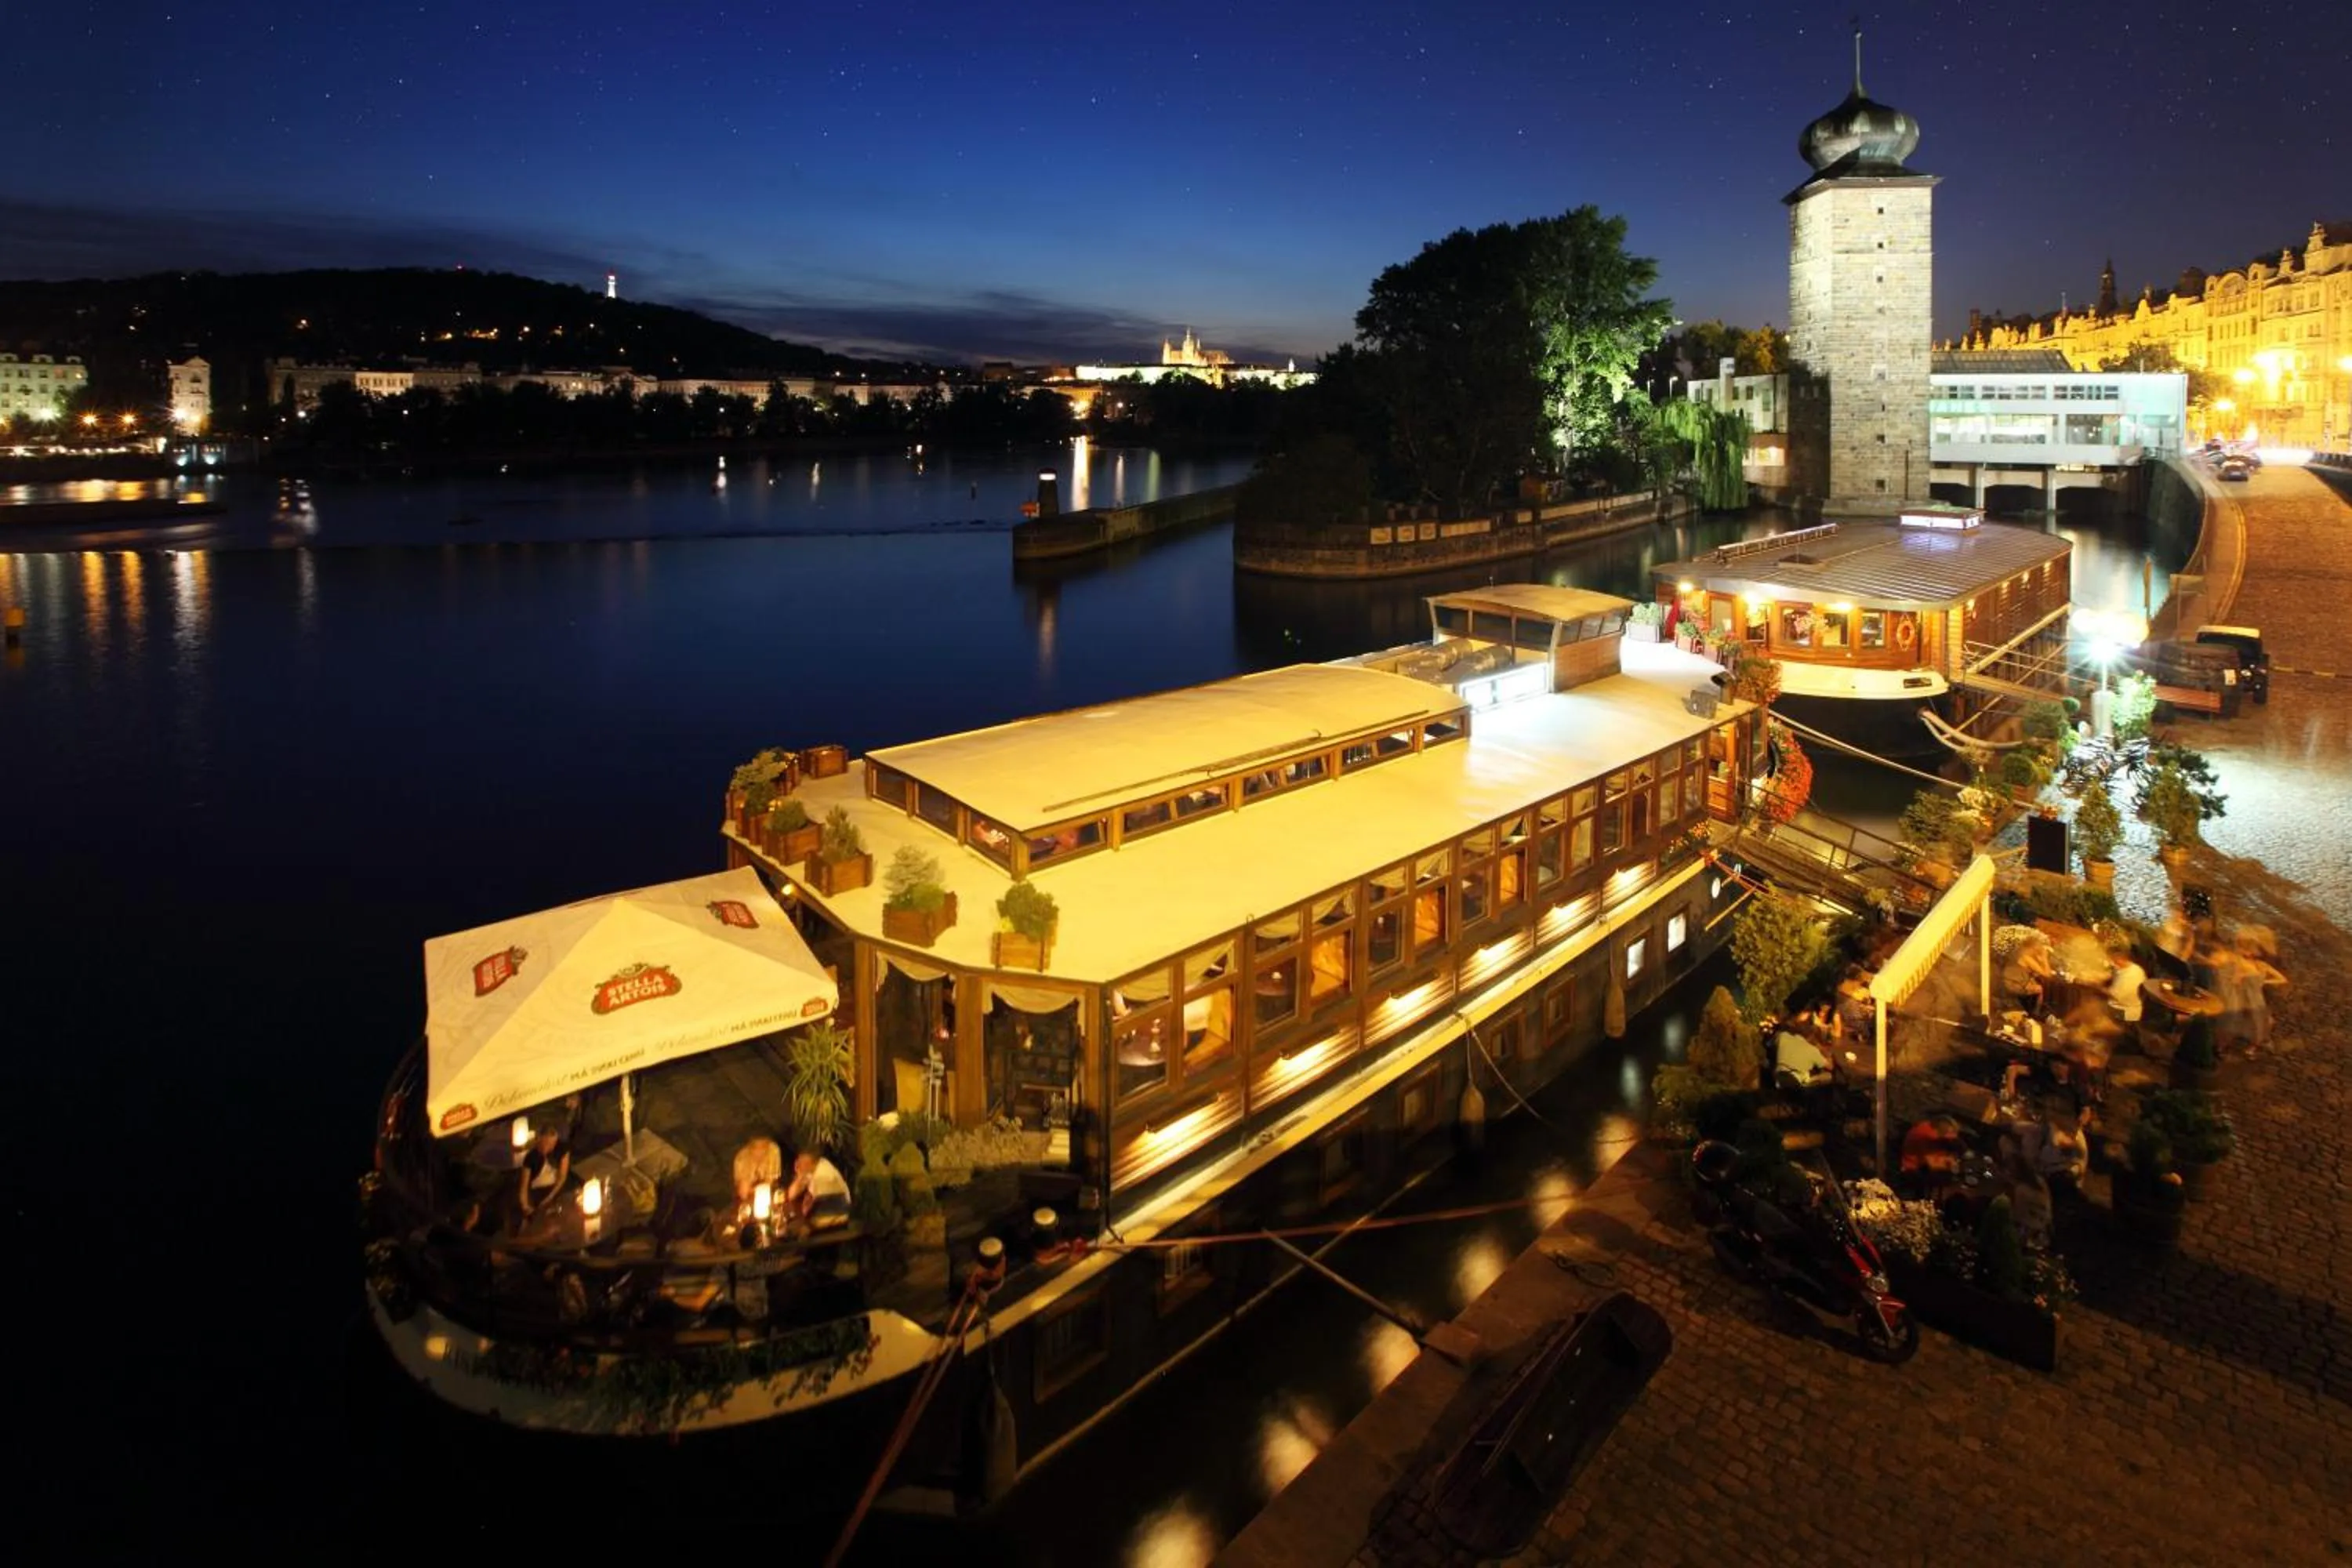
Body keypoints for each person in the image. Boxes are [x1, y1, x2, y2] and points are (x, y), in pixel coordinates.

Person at [515, 1125, 572, 1223]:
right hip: (538, 1189)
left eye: (551, 1144)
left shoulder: (562, 1149)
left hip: (558, 1187)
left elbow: (562, 1177)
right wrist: (525, 1206)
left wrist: (550, 1197)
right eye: (545, 1144)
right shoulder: (531, 1157)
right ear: (538, 1141)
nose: (548, 1147)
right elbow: (524, 1187)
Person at [785, 1149, 851, 1223]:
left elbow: (809, 1212)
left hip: (835, 1223)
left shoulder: (823, 1176)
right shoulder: (818, 1166)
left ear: (808, 1162)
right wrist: (799, 1177)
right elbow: (791, 1195)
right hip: (828, 1218)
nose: (797, 1165)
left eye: (800, 1162)